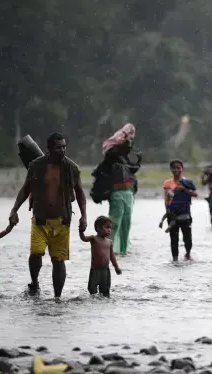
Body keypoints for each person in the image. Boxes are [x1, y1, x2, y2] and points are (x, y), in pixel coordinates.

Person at [9, 132, 87, 298]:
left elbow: (80, 192)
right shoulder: (36, 166)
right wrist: (14, 209)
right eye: (59, 147)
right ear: (49, 149)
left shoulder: (71, 168)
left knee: (58, 261)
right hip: (40, 220)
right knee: (36, 253)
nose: (63, 150)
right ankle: (35, 281)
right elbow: (26, 189)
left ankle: (57, 297)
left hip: (62, 221)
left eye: (64, 147)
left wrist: (83, 216)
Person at [99, 123, 139, 255]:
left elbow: (132, 171)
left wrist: (138, 162)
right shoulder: (111, 157)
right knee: (114, 223)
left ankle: (123, 250)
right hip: (117, 193)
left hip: (128, 193)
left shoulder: (125, 159)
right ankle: (107, 250)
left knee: (126, 225)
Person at [162, 160, 198, 261]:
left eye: (178, 167)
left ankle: (188, 254)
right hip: (172, 214)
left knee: (188, 239)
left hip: (185, 214)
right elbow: (166, 200)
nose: (176, 170)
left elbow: (195, 194)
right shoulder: (167, 183)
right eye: (174, 167)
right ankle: (175, 260)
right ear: (171, 169)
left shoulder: (187, 182)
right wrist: (168, 212)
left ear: (182, 169)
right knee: (174, 239)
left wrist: (184, 189)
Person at [79, 215, 122, 297]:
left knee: (105, 291)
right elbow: (84, 238)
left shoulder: (109, 242)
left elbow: (112, 256)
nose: (109, 230)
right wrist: (81, 231)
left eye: (110, 228)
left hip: (105, 271)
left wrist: (116, 267)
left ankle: (104, 304)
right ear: (98, 228)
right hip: (95, 270)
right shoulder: (94, 239)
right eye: (107, 227)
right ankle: (93, 303)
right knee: (92, 290)